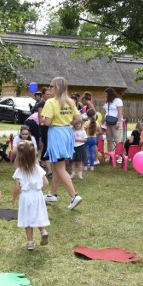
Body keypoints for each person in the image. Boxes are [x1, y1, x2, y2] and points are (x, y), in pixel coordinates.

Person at [41, 76, 83, 210]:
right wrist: (67, 123)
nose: (49, 89)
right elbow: (79, 119)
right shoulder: (70, 102)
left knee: (59, 167)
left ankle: (74, 195)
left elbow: (47, 122)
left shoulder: (50, 102)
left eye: (51, 86)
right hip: (66, 133)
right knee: (55, 165)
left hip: (56, 134)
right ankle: (52, 194)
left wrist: (43, 119)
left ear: (57, 88)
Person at [12, 140, 49, 250]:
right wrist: (39, 191)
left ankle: (30, 242)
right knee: (38, 215)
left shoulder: (19, 171)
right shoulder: (38, 168)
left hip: (26, 196)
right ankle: (43, 231)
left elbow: (17, 188)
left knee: (27, 219)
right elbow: (46, 183)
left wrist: (14, 198)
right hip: (37, 195)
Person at [102, 87, 124, 152]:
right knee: (109, 139)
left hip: (116, 121)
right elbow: (106, 112)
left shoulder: (118, 101)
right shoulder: (107, 101)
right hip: (108, 121)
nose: (105, 96)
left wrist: (118, 122)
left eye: (106, 94)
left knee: (117, 139)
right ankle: (110, 155)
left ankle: (120, 155)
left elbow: (120, 112)